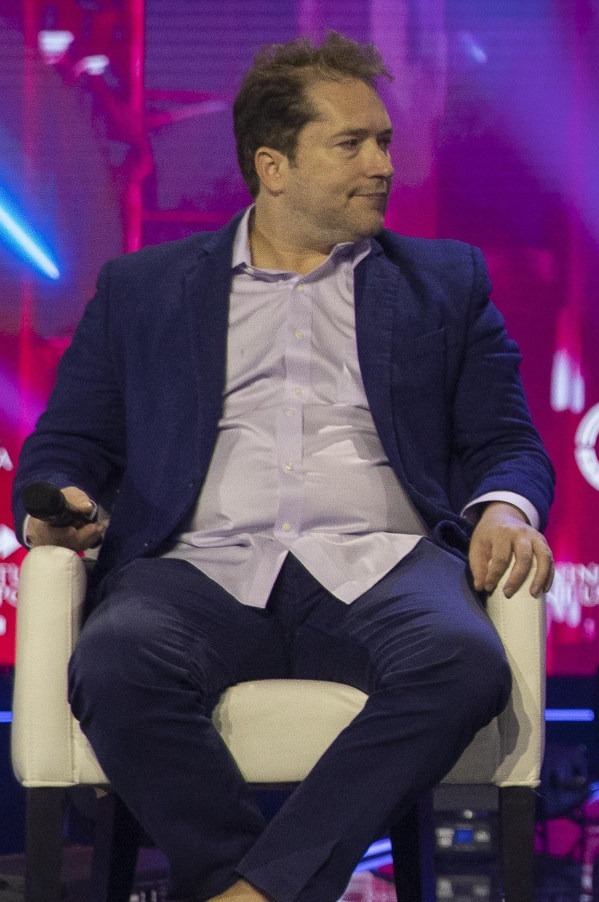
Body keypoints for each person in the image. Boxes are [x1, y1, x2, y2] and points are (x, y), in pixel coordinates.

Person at [12, 31, 555, 902]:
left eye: (383, 141)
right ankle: (259, 882)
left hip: (382, 563)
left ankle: (248, 894)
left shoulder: (445, 284)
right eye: (352, 144)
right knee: (115, 661)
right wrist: (56, 500)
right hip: (199, 566)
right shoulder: (143, 290)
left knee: (463, 662)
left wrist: (503, 508)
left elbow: (507, 443)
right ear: (273, 165)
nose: (382, 163)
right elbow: (67, 444)